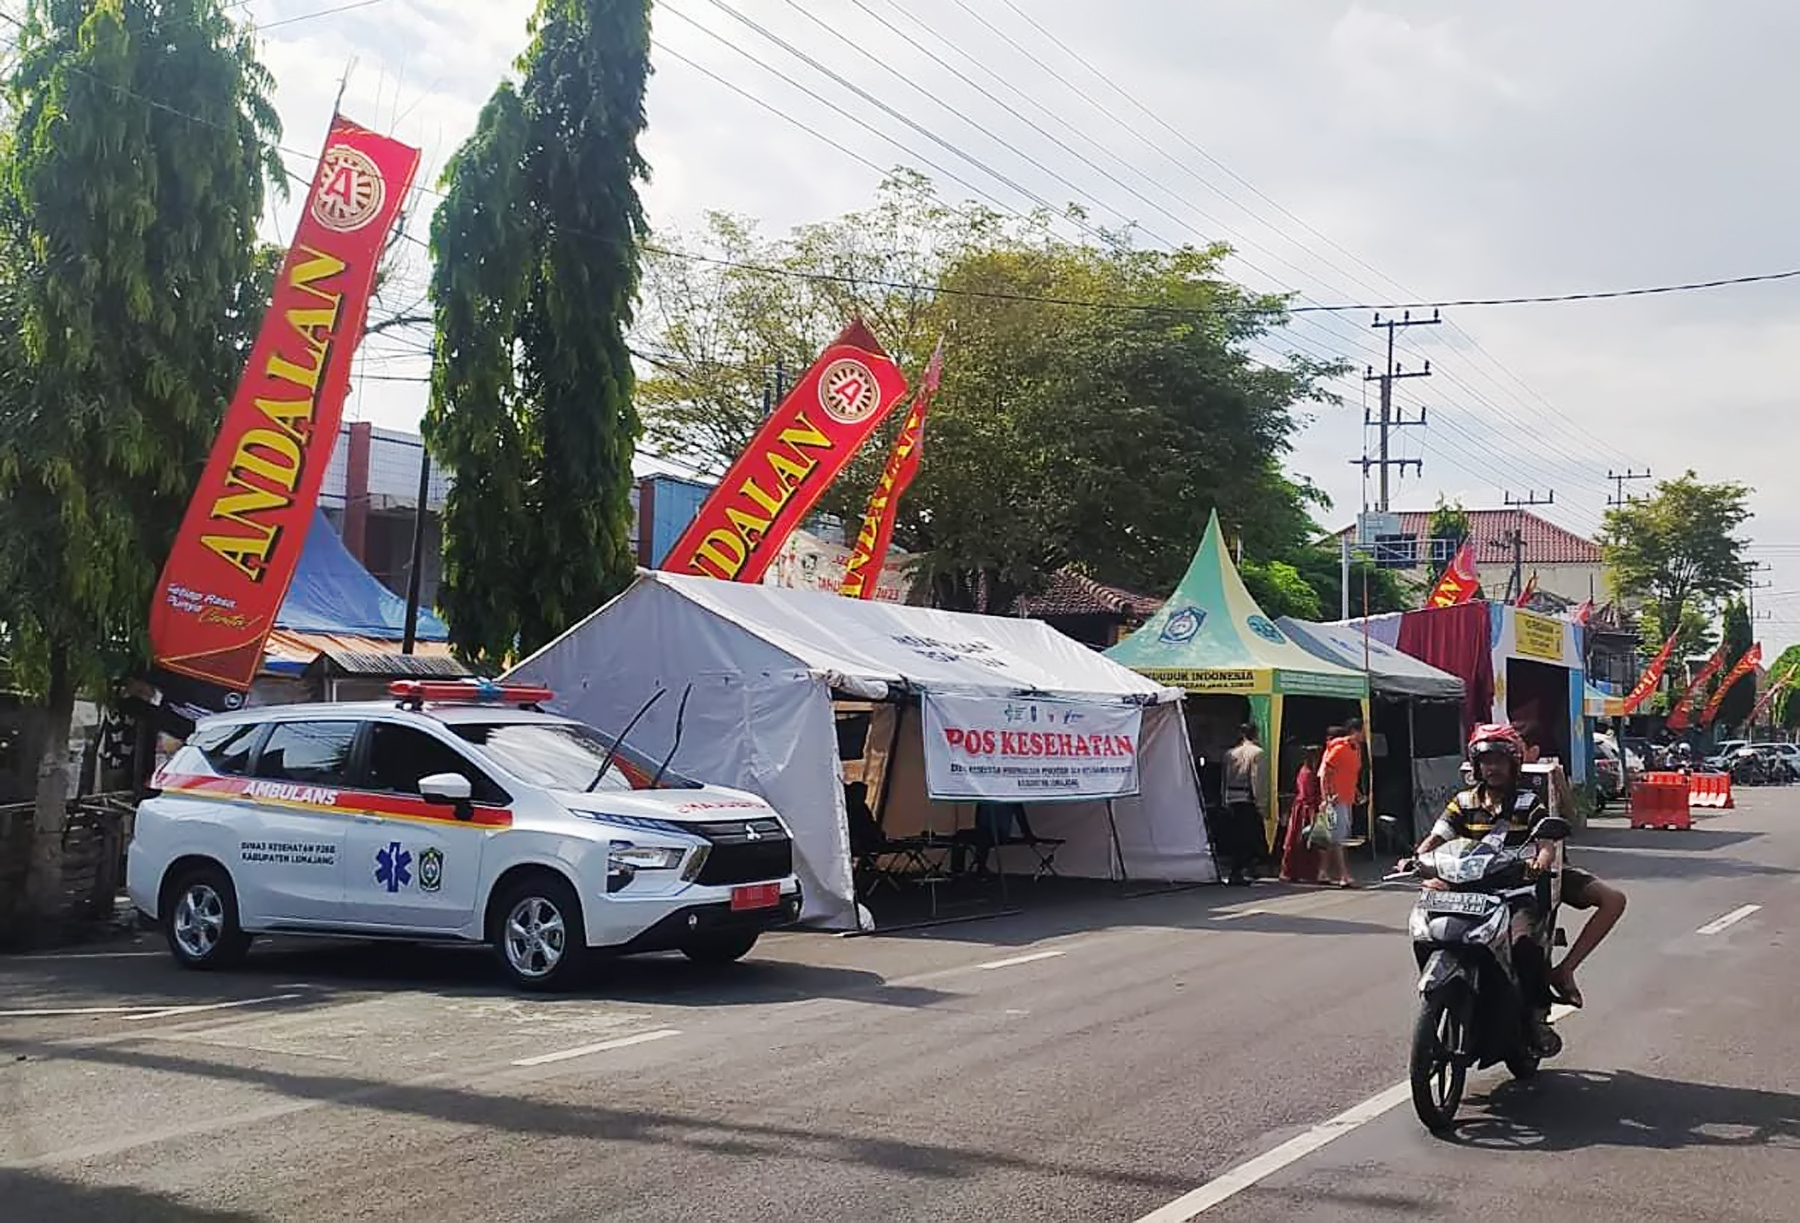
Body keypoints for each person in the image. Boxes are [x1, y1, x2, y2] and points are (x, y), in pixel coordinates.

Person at [1410, 724, 1564, 1053]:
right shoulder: (1462, 802)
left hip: (1513, 892)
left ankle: (1536, 1016)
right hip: (1465, 892)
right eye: (1485, 761)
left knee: (1523, 945)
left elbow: (1546, 844)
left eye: (1499, 761)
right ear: (1476, 765)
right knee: (1430, 933)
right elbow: (1438, 837)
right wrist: (1417, 859)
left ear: (1513, 764)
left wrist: (1540, 863)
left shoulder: (1527, 802)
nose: (1492, 768)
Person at [1510, 719, 1627, 1008]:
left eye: (1514, 749)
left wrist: (1559, 785)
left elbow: (1573, 821)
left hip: (1544, 870)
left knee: (1613, 900)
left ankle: (1565, 969)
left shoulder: (1545, 780)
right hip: (1493, 874)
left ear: (1533, 752)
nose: (1503, 757)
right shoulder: (1484, 780)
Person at [1221, 723, 1268, 885]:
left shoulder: (1230, 753)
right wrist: (1260, 802)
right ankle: (1241, 869)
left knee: (1236, 835)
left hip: (1231, 796)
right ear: (1256, 734)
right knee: (1249, 836)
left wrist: (1224, 798)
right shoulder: (1257, 753)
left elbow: (1224, 778)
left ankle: (1245, 868)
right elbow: (1257, 779)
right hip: (1247, 798)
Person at [1317, 721, 1362, 888]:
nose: (1363, 735)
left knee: (1333, 838)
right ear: (1353, 732)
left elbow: (1350, 774)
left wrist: (1356, 793)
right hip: (1336, 799)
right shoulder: (1338, 749)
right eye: (1361, 731)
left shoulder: (1356, 749)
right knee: (1339, 839)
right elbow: (1324, 774)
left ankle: (1323, 871)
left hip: (1347, 798)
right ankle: (1344, 875)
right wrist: (1325, 798)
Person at [1277, 743, 1325, 883]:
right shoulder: (1307, 773)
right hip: (1304, 810)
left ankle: (1305, 872)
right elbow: (1307, 794)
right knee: (1298, 841)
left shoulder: (1309, 771)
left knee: (1308, 843)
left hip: (1308, 807)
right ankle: (1289, 872)